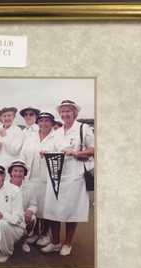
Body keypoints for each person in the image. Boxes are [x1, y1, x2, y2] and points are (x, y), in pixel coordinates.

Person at [41, 100, 94, 256]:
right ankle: (56, 242)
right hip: (57, 175)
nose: (65, 114)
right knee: (53, 209)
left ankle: (67, 244)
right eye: (62, 112)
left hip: (74, 176)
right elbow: (55, 151)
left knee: (72, 210)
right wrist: (45, 153)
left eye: (68, 111)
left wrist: (76, 153)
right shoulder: (57, 132)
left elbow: (94, 149)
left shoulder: (83, 129)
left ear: (75, 113)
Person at [20, 112, 57, 247]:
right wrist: (22, 171)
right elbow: (23, 154)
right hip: (31, 177)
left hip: (48, 178)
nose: (43, 123)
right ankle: (35, 232)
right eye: (41, 121)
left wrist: (49, 155)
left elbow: (60, 156)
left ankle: (45, 234)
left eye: (47, 121)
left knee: (47, 207)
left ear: (52, 122)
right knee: (35, 205)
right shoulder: (30, 136)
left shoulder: (57, 137)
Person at [8, 159, 38, 253]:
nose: (18, 174)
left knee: (33, 218)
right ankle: (7, 243)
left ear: (24, 173)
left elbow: (33, 204)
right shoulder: (4, 185)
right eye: (15, 171)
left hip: (22, 215)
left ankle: (24, 241)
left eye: (21, 171)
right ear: (10, 173)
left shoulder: (29, 186)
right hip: (7, 214)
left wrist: (29, 211)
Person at [0, 104, 24, 170]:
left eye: (9, 115)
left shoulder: (17, 130)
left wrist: (4, 136)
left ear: (14, 116)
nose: (7, 118)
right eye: (4, 116)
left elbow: (14, 151)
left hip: (10, 168)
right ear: (0, 117)